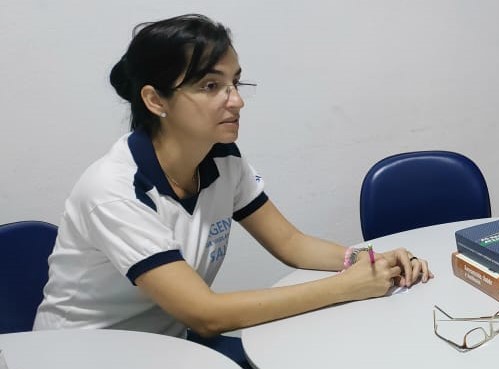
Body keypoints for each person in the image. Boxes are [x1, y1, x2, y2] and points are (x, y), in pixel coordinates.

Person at [34, 14, 433, 339]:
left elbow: (291, 244)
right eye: (211, 85)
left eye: (235, 82)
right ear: (156, 100)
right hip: (80, 353)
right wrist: (346, 287)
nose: (237, 100)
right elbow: (205, 315)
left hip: (165, 349)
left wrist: (368, 260)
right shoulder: (115, 189)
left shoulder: (223, 161)